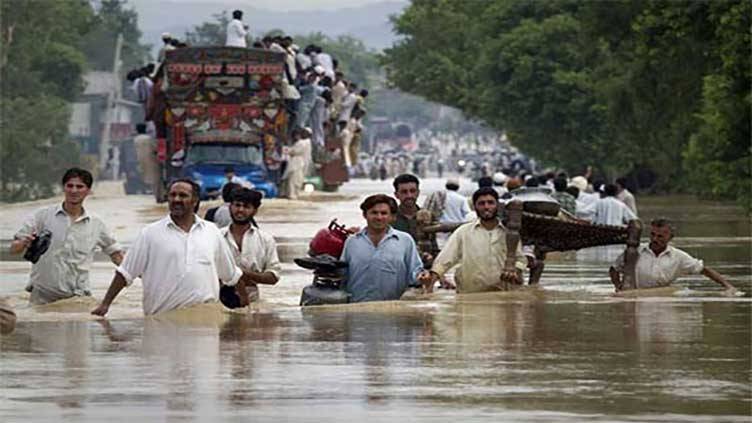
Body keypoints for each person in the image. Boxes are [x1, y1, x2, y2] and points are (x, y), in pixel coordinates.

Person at [91, 179, 242, 316]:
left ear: (195, 200)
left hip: (205, 323)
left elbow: (231, 275)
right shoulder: (150, 234)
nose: (176, 200)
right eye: (172, 195)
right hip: (161, 320)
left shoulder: (212, 232)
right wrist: (105, 305)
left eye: (183, 196)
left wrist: (247, 308)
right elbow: (125, 273)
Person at [10, 168, 123, 305]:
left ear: (88, 191)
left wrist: (141, 274)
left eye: (79, 186)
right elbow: (14, 249)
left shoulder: (96, 224)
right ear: (63, 188)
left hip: (78, 298)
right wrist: (24, 243)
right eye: (70, 186)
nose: (74, 190)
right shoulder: (42, 216)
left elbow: (116, 255)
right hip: (42, 297)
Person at [423, 187, 526, 294]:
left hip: (504, 295)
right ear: (475, 207)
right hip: (470, 296)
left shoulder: (510, 234)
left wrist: (515, 270)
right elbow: (444, 260)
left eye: (490, 203)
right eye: (481, 203)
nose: (486, 207)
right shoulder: (463, 232)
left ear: (497, 206)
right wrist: (429, 288)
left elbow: (521, 260)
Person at [339, 194, 431, 302]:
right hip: (357, 309)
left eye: (384, 213)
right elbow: (342, 276)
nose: (379, 217)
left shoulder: (405, 241)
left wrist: (424, 276)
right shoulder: (352, 242)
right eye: (374, 213)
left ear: (392, 217)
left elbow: (415, 273)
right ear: (365, 215)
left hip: (393, 310)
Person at [609, 218, 736, 294]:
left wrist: (728, 286)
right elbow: (614, 269)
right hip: (634, 295)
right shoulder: (635, 252)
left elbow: (704, 270)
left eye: (660, 236)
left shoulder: (678, 257)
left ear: (670, 237)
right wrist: (618, 286)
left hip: (660, 297)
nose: (655, 239)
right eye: (652, 235)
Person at [221, 188, 281, 305]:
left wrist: (244, 274)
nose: (240, 210)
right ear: (230, 207)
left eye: (246, 207)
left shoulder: (265, 240)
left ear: (255, 211)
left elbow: (273, 276)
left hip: (252, 303)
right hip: (218, 299)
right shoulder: (216, 237)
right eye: (237, 205)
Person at [282, 128, 312, 200]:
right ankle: (293, 193)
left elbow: (294, 151)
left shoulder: (302, 142)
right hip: (300, 162)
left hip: (297, 162)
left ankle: (292, 194)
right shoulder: (307, 142)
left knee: (294, 179)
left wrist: (287, 150)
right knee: (295, 179)